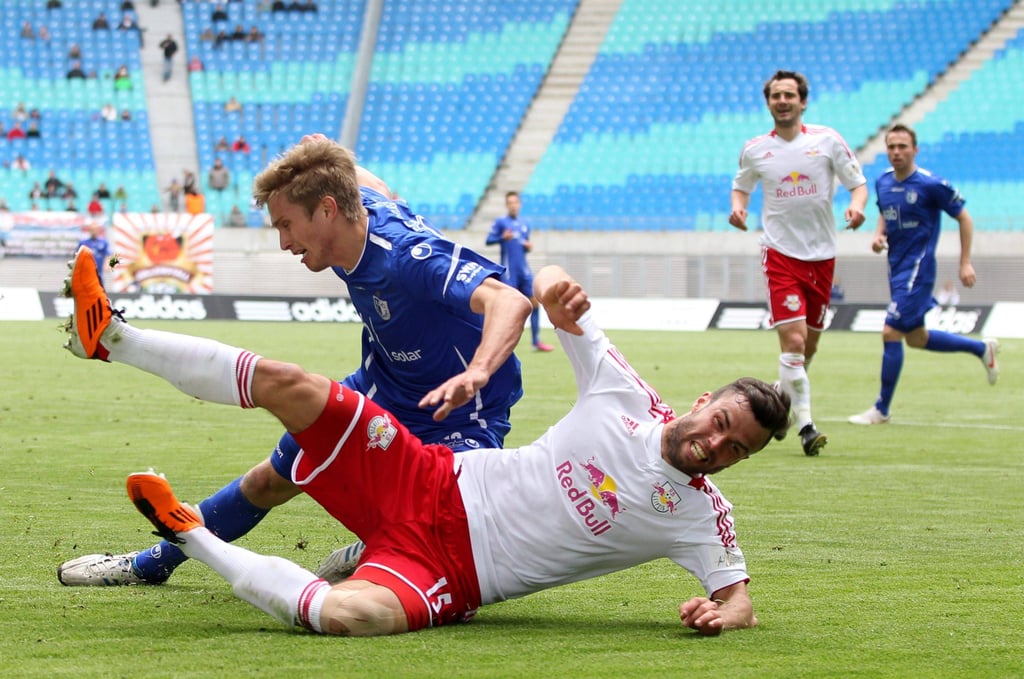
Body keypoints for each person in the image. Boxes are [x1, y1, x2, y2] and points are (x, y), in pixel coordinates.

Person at [63, 249, 791, 636]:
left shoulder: (702, 514)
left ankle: (189, 534)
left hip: (451, 570)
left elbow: (740, 601)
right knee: (295, 387)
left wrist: (720, 613)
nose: (716, 446)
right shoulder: (626, 396)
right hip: (428, 479)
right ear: (704, 402)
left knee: (351, 617)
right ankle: (114, 337)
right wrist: (561, 286)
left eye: (737, 450)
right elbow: (547, 281)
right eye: (722, 423)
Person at [57, 135, 533, 589]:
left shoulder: (407, 257)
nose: (284, 242)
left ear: (327, 210)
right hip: (386, 386)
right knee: (269, 480)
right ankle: (149, 566)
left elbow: (510, 302)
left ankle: (376, 549)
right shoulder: (356, 211)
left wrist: (477, 371)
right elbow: (371, 184)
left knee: (450, 536)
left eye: (287, 225)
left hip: (460, 413)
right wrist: (319, 154)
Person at [729, 69, 868, 456]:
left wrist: (857, 209)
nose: (783, 101)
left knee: (807, 349)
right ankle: (805, 426)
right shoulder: (756, 149)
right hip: (780, 255)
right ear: (769, 102)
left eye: (790, 95)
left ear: (803, 101)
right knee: (793, 342)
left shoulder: (826, 141)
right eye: (776, 95)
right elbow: (741, 187)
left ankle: (777, 398)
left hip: (822, 256)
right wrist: (738, 210)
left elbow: (858, 183)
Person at [848, 124, 999, 426]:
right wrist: (879, 236)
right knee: (916, 338)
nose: (897, 152)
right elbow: (884, 213)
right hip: (896, 268)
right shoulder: (883, 182)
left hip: (918, 270)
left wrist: (965, 262)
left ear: (915, 149)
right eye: (891, 147)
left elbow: (964, 218)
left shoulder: (931, 185)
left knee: (890, 332)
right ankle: (982, 348)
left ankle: (881, 409)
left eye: (903, 146)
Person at [486, 191, 554, 352]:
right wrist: (502, 238)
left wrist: (528, 247)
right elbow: (489, 240)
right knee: (509, 307)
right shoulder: (501, 222)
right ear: (506, 205)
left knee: (535, 304)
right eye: (510, 202)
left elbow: (523, 244)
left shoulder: (525, 223)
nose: (513, 205)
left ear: (519, 204)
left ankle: (536, 341)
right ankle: (501, 343)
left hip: (524, 269)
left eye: (515, 202)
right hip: (510, 271)